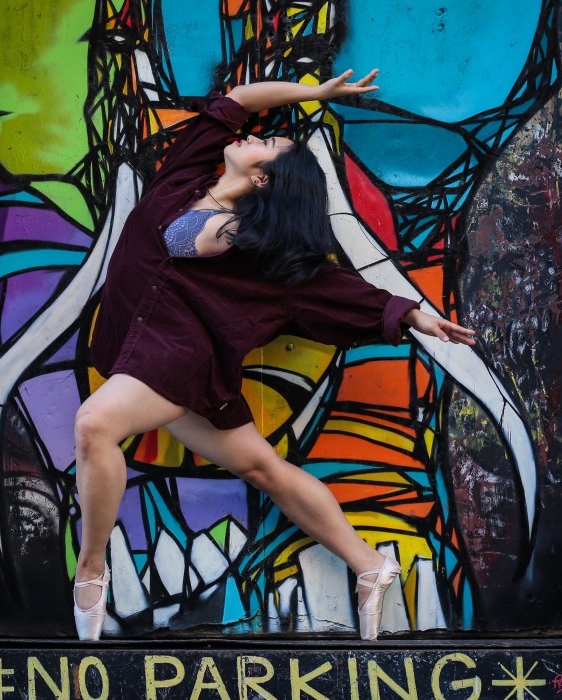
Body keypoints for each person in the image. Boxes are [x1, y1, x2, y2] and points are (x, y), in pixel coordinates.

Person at [72, 69, 477, 641]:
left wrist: (413, 314)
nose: (254, 135)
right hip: (152, 355)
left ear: (262, 177)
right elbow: (237, 101)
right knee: (262, 467)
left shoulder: (263, 252)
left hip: (172, 362)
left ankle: (91, 569)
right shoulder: (187, 173)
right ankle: (370, 564)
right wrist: (318, 93)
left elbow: (335, 289)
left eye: (266, 144)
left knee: (94, 425)